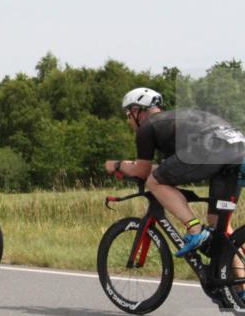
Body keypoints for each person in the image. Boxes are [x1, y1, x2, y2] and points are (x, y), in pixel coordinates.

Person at [105, 88, 245, 265]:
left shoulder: (148, 128)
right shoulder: (174, 123)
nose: (128, 120)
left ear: (136, 111)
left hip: (212, 145)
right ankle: (238, 290)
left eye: (127, 114)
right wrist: (132, 165)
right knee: (220, 229)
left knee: (153, 182)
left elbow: (143, 172)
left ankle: (194, 228)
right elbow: (165, 169)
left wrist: (117, 165)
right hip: (236, 147)